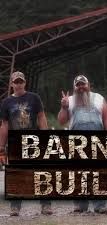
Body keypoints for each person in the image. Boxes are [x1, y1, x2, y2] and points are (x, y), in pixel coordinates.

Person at [58, 74, 107, 214]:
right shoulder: (69, 100)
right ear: (74, 87)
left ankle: (100, 205)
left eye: (83, 84)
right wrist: (64, 107)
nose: (81, 87)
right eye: (78, 85)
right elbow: (61, 121)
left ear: (88, 85)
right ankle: (80, 205)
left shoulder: (98, 98)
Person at [0, 71, 53, 216]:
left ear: (25, 83)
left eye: (20, 81)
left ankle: (46, 205)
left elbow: (41, 117)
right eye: (15, 82)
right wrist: (1, 147)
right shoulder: (6, 102)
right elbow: (4, 125)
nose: (18, 84)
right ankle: (15, 207)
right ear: (11, 84)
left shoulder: (34, 98)